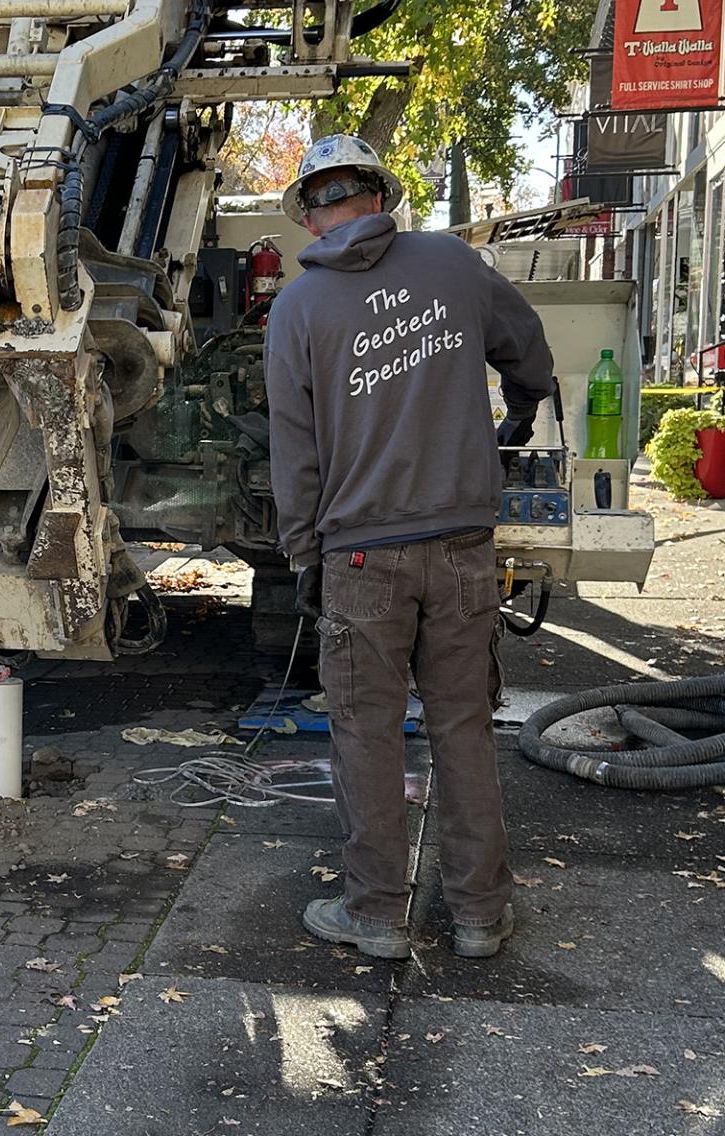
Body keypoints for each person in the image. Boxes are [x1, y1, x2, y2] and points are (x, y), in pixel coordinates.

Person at [264, 135, 555, 959]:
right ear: (381, 197)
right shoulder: (455, 267)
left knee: (366, 730)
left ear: (313, 215)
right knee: (463, 725)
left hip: (361, 557)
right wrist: (523, 408)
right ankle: (477, 914)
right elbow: (526, 347)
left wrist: (301, 549)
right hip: (462, 545)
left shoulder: (298, 308)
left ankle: (379, 914)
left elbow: (296, 447)